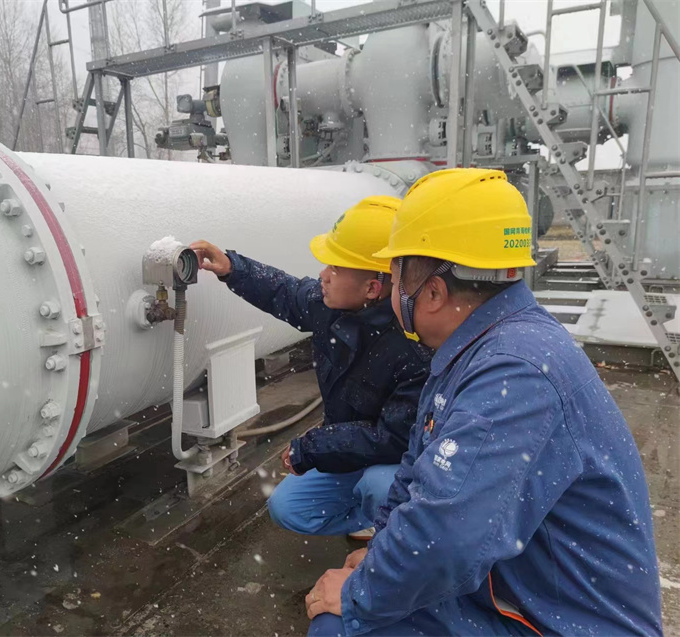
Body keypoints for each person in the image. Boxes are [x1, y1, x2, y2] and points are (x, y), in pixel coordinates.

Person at [305, 168, 662, 636]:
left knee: (340, 625)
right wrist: (380, 552)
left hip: (563, 621)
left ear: (433, 293)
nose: (391, 292)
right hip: (526, 588)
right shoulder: (483, 345)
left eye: (395, 278)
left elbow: (444, 537)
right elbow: (417, 470)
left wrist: (359, 593)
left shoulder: (513, 374)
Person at [191, 196, 430, 539]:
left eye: (335, 268)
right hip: (353, 446)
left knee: (379, 485)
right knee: (288, 507)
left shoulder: (415, 347)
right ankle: (369, 516)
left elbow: (392, 438)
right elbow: (284, 290)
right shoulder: (331, 307)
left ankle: (392, 534)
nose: (323, 275)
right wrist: (231, 267)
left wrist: (312, 447)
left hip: (397, 460)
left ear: (372, 287)